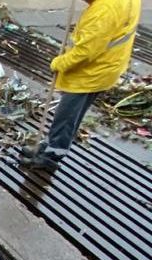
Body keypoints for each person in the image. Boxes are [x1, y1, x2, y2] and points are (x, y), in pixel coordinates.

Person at [19, 0, 140, 171]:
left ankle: (52, 154)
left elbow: (85, 53)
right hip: (110, 64)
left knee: (67, 114)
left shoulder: (103, 11)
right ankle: (50, 144)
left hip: (92, 72)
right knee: (73, 114)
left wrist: (59, 63)